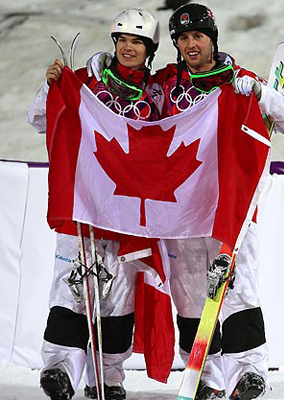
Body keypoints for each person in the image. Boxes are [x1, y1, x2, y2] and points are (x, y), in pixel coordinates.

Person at [157, 4, 284, 400]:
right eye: (183, 38)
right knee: (189, 295)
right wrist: (97, 69)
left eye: (198, 37)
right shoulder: (166, 86)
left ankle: (248, 373)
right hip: (180, 212)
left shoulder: (238, 81)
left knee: (238, 289)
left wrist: (261, 92)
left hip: (231, 208)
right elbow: (123, 103)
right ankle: (203, 377)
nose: (191, 45)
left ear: (212, 39)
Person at [27, 9, 162, 400]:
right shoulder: (85, 83)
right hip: (83, 207)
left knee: (117, 300)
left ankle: (108, 377)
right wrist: (51, 87)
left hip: (128, 215)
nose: (128, 48)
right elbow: (39, 118)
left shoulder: (156, 96)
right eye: (122, 40)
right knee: (71, 291)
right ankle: (59, 371)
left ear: (149, 49)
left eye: (137, 42)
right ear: (113, 43)